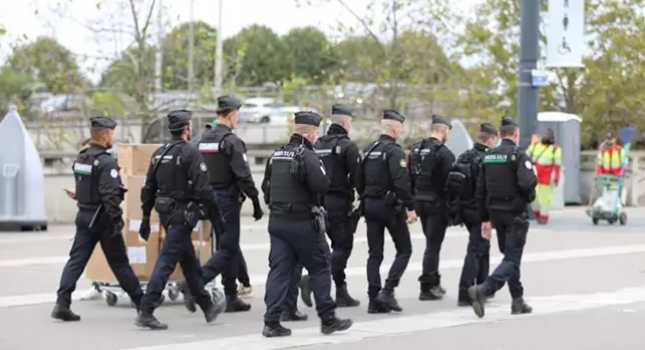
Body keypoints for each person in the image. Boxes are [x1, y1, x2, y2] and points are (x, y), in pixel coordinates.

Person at [261, 111, 352, 337]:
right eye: (316, 131)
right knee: (321, 266)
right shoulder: (308, 155)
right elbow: (322, 185)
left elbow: (266, 189)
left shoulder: (277, 154)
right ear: (311, 133)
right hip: (303, 223)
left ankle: (271, 322)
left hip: (278, 222)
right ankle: (328, 319)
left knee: (279, 271)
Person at [136, 110, 225, 330]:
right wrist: (217, 218)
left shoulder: (159, 153)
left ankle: (206, 305)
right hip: (183, 215)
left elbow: (148, 189)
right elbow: (204, 189)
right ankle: (146, 310)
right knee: (167, 260)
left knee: (188, 260)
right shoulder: (189, 153)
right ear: (186, 129)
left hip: (166, 213)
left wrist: (146, 217)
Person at [52, 117, 143, 322]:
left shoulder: (82, 157)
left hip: (84, 215)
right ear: (104, 135)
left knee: (76, 260)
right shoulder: (106, 161)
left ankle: (62, 303)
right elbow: (109, 195)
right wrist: (117, 221)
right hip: (102, 219)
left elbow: (85, 185)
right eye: (111, 134)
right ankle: (143, 307)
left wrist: (79, 196)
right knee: (120, 264)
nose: (113, 137)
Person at [183, 95, 260, 313]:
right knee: (227, 248)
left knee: (227, 247)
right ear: (232, 114)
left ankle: (231, 295)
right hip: (226, 200)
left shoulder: (201, 139)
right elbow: (243, 175)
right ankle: (194, 284)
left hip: (207, 198)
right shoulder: (231, 141)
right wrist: (255, 201)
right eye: (238, 115)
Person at [468, 117, 537, 319]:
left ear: (501, 134)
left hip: (496, 214)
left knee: (509, 257)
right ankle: (484, 290)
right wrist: (529, 196)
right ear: (515, 135)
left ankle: (517, 300)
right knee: (512, 259)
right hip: (515, 213)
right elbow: (528, 184)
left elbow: (480, 190)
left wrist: (484, 219)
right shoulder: (518, 155)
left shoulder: (489, 156)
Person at [358, 110, 416, 314]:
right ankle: (388, 291)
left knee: (374, 254)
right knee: (405, 249)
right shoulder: (394, 151)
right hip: (389, 207)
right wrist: (410, 206)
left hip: (370, 206)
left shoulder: (368, 149)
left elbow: (358, 179)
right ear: (395, 127)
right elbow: (400, 182)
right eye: (400, 126)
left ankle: (374, 300)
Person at [314, 104, 362, 307]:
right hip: (339, 203)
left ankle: (341, 292)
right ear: (344, 123)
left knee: (332, 246)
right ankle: (319, 280)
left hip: (319, 203)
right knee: (343, 245)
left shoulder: (317, 144)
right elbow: (358, 176)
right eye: (350, 122)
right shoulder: (348, 146)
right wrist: (362, 198)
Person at [446, 123, 499, 306]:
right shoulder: (488, 158)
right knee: (476, 250)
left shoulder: (465, 155)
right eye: (496, 140)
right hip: (480, 212)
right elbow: (488, 190)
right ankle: (466, 292)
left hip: (464, 211)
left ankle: (483, 288)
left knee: (483, 247)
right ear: (491, 139)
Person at [408, 114, 455, 300]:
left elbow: (409, 178)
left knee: (431, 243)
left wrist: (411, 204)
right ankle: (427, 288)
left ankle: (435, 282)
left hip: (420, 202)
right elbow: (450, 184)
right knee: (433, 246)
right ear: (443, 131)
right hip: (437, 204)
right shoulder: (444, 153)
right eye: (448, 132)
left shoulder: (416, 149)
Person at [527, 129, 562, 224]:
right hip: (534, 175)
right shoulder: (534, 145)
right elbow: (525, 156)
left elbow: (557, 166)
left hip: (547, 177)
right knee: (533, 198)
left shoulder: (555, 149)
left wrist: (556, 178)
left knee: (545, 199)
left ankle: (543, 217)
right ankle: (538, 214)